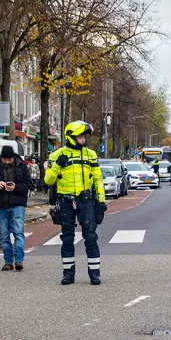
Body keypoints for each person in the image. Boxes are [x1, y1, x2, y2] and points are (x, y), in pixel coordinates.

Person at [45, 121, 105, 285]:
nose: (83, 139)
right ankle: (68, 274)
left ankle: (94, 273)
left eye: (84, 136)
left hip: (86, 201)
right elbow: (48, 179)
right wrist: (57, 165)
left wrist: (101, 200)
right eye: (80, 136)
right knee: (67, 238)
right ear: (70, 137)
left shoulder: (90, 154)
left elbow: (98, 179)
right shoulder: (57, 155)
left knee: (91, 237)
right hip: (65, 201)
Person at [0, 145, 33, 271]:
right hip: (0, 206)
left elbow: (29, 184)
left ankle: (19, 260)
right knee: (4, 235)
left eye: (9, 160)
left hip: (17, 205)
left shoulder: (22, 166)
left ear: (13, 158)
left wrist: (15, 187)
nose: (6, 162)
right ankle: (8, 262)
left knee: (18, 233)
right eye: (4, 160)